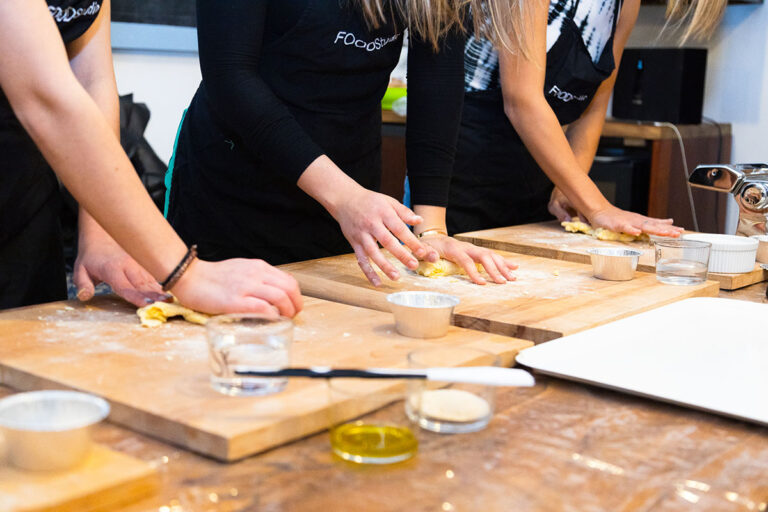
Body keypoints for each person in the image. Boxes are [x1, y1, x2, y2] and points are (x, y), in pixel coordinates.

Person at [165, 0, 518, 287]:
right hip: (233, 192)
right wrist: (344, 196)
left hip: (347, 198)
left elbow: (437, 83)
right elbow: (231, 79)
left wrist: (431, 229)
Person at [0, 0, 302, 317]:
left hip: (25, 193)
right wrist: (187, 274)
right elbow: (45, 97)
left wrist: (99, 236)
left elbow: (93, 82)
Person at [446, 0, 725, 237]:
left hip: (539, 178)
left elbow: (594, 101)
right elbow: (521, 100)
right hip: (462, 176)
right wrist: (598, 207)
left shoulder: (626, 4)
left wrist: (569, 189)